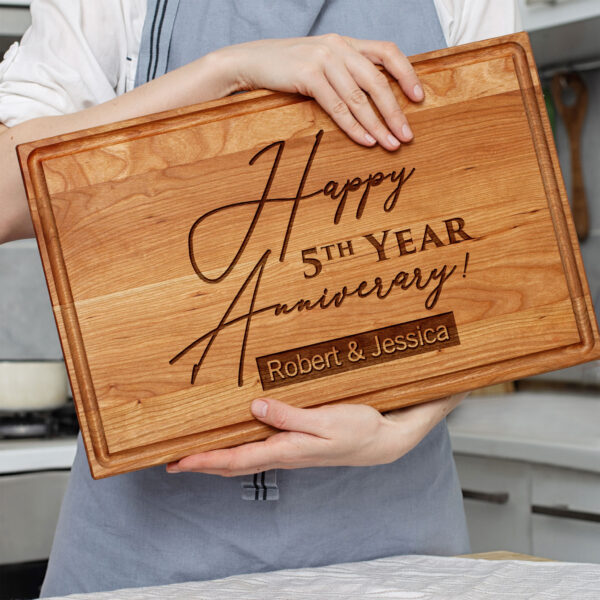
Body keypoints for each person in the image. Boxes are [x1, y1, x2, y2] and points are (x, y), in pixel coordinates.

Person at [0, 1, 520, 596]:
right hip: (147, 543)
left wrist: (407, 426)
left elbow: (499, 260)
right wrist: (227, 72)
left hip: (397, 534)